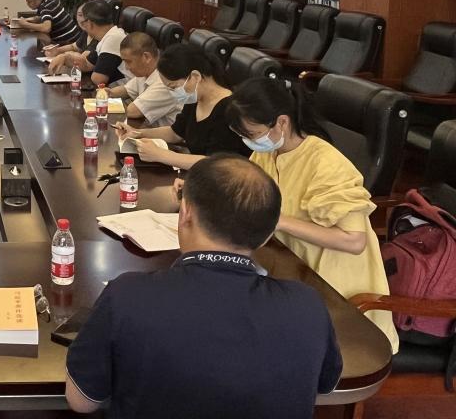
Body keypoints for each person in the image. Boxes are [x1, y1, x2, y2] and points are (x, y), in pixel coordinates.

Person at [65, 154, 343, 419]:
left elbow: (81, 402)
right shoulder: (307, 305)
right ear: (268, 234)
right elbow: (323, 387)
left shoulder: (127, 295)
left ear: (185, 212)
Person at [225, 77, 400, 352]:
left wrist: (279, 221)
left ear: (282, 122)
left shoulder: (325, 164)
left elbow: (354, 241)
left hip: (334, 288)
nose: (249, 142)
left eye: (253, 134)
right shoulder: (270, 153)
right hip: (291, 267)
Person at [114, 43, 249, 167]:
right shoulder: (195, 98)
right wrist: (138, 133)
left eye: (174, 87)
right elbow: (175, 132)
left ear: (195, 76)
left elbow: (217, 163)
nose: (173, 93)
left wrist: (161, 155)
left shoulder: (229, 110)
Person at [105, 32, 182, 126]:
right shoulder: (145, 71)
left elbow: (132, 111)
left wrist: (104, 104)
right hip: (149, 129)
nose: (126, 67)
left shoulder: (166, 80)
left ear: (146, 57)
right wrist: (107, 93)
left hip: (164, 134)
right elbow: (126, 90)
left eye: (128, 62)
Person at [47, 0, 125, 86]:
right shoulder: (106, 37)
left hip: (124, 92)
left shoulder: (113, 38)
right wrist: (65, 57)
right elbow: (87, 64)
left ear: (90, 23)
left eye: (84, 22)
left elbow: (98, 79)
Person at [12, 0, 81, 45]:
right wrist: (28, 20)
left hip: (69, 43)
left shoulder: (44, 8)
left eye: (29, 1)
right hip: (77, 39)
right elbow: (43, 17)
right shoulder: (51, 0)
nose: (27, 4)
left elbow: (46, 28)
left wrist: (26, 24)